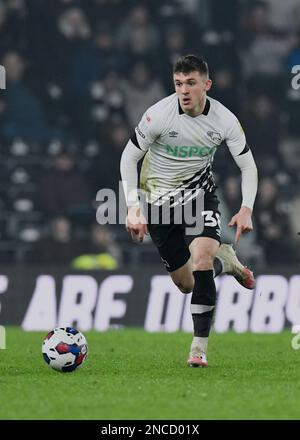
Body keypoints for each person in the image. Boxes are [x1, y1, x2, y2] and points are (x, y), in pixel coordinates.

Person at [120, 55, 258, 368]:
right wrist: (133, 207)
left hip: (199, 199)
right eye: (179, 84)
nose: (184, 90)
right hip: (158, 206)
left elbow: (247, 165)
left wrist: (246, 207)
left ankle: (198, 348)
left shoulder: (224, 119)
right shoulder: (158, 116)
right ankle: (229, 262)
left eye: (191, 83)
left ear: (206, 85)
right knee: (187, 284)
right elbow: (128, 158)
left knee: (202, 260)